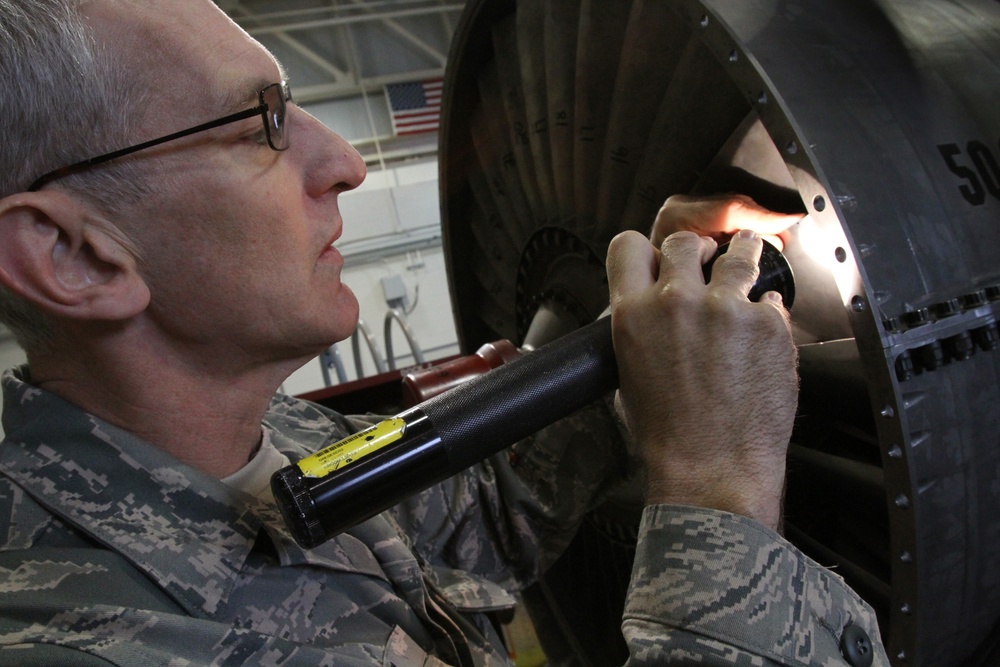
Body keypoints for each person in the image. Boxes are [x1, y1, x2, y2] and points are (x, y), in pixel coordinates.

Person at [0, 1, 888, 665]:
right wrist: (718, 491)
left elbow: (487, 511)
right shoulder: (82, 640)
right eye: (259, 124)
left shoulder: (281, 444)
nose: (342, 163)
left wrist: (655, 328)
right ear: (71, 253)